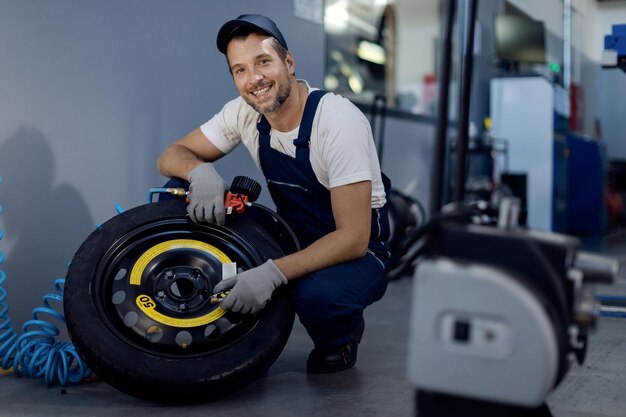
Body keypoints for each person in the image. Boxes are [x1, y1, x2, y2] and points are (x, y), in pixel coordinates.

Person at [157, 14, 391, 373]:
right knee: (177, 192)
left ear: (289, 63)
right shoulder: (243, 113)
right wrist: (200, 171)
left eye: (263, 62)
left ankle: (341, 336)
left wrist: (271, 274)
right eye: (240, 70)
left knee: (318, 296)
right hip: (294, 236)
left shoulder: (338, 121)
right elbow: (170, 156)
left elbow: (354, 238)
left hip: (357, 251)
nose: (254, 79)